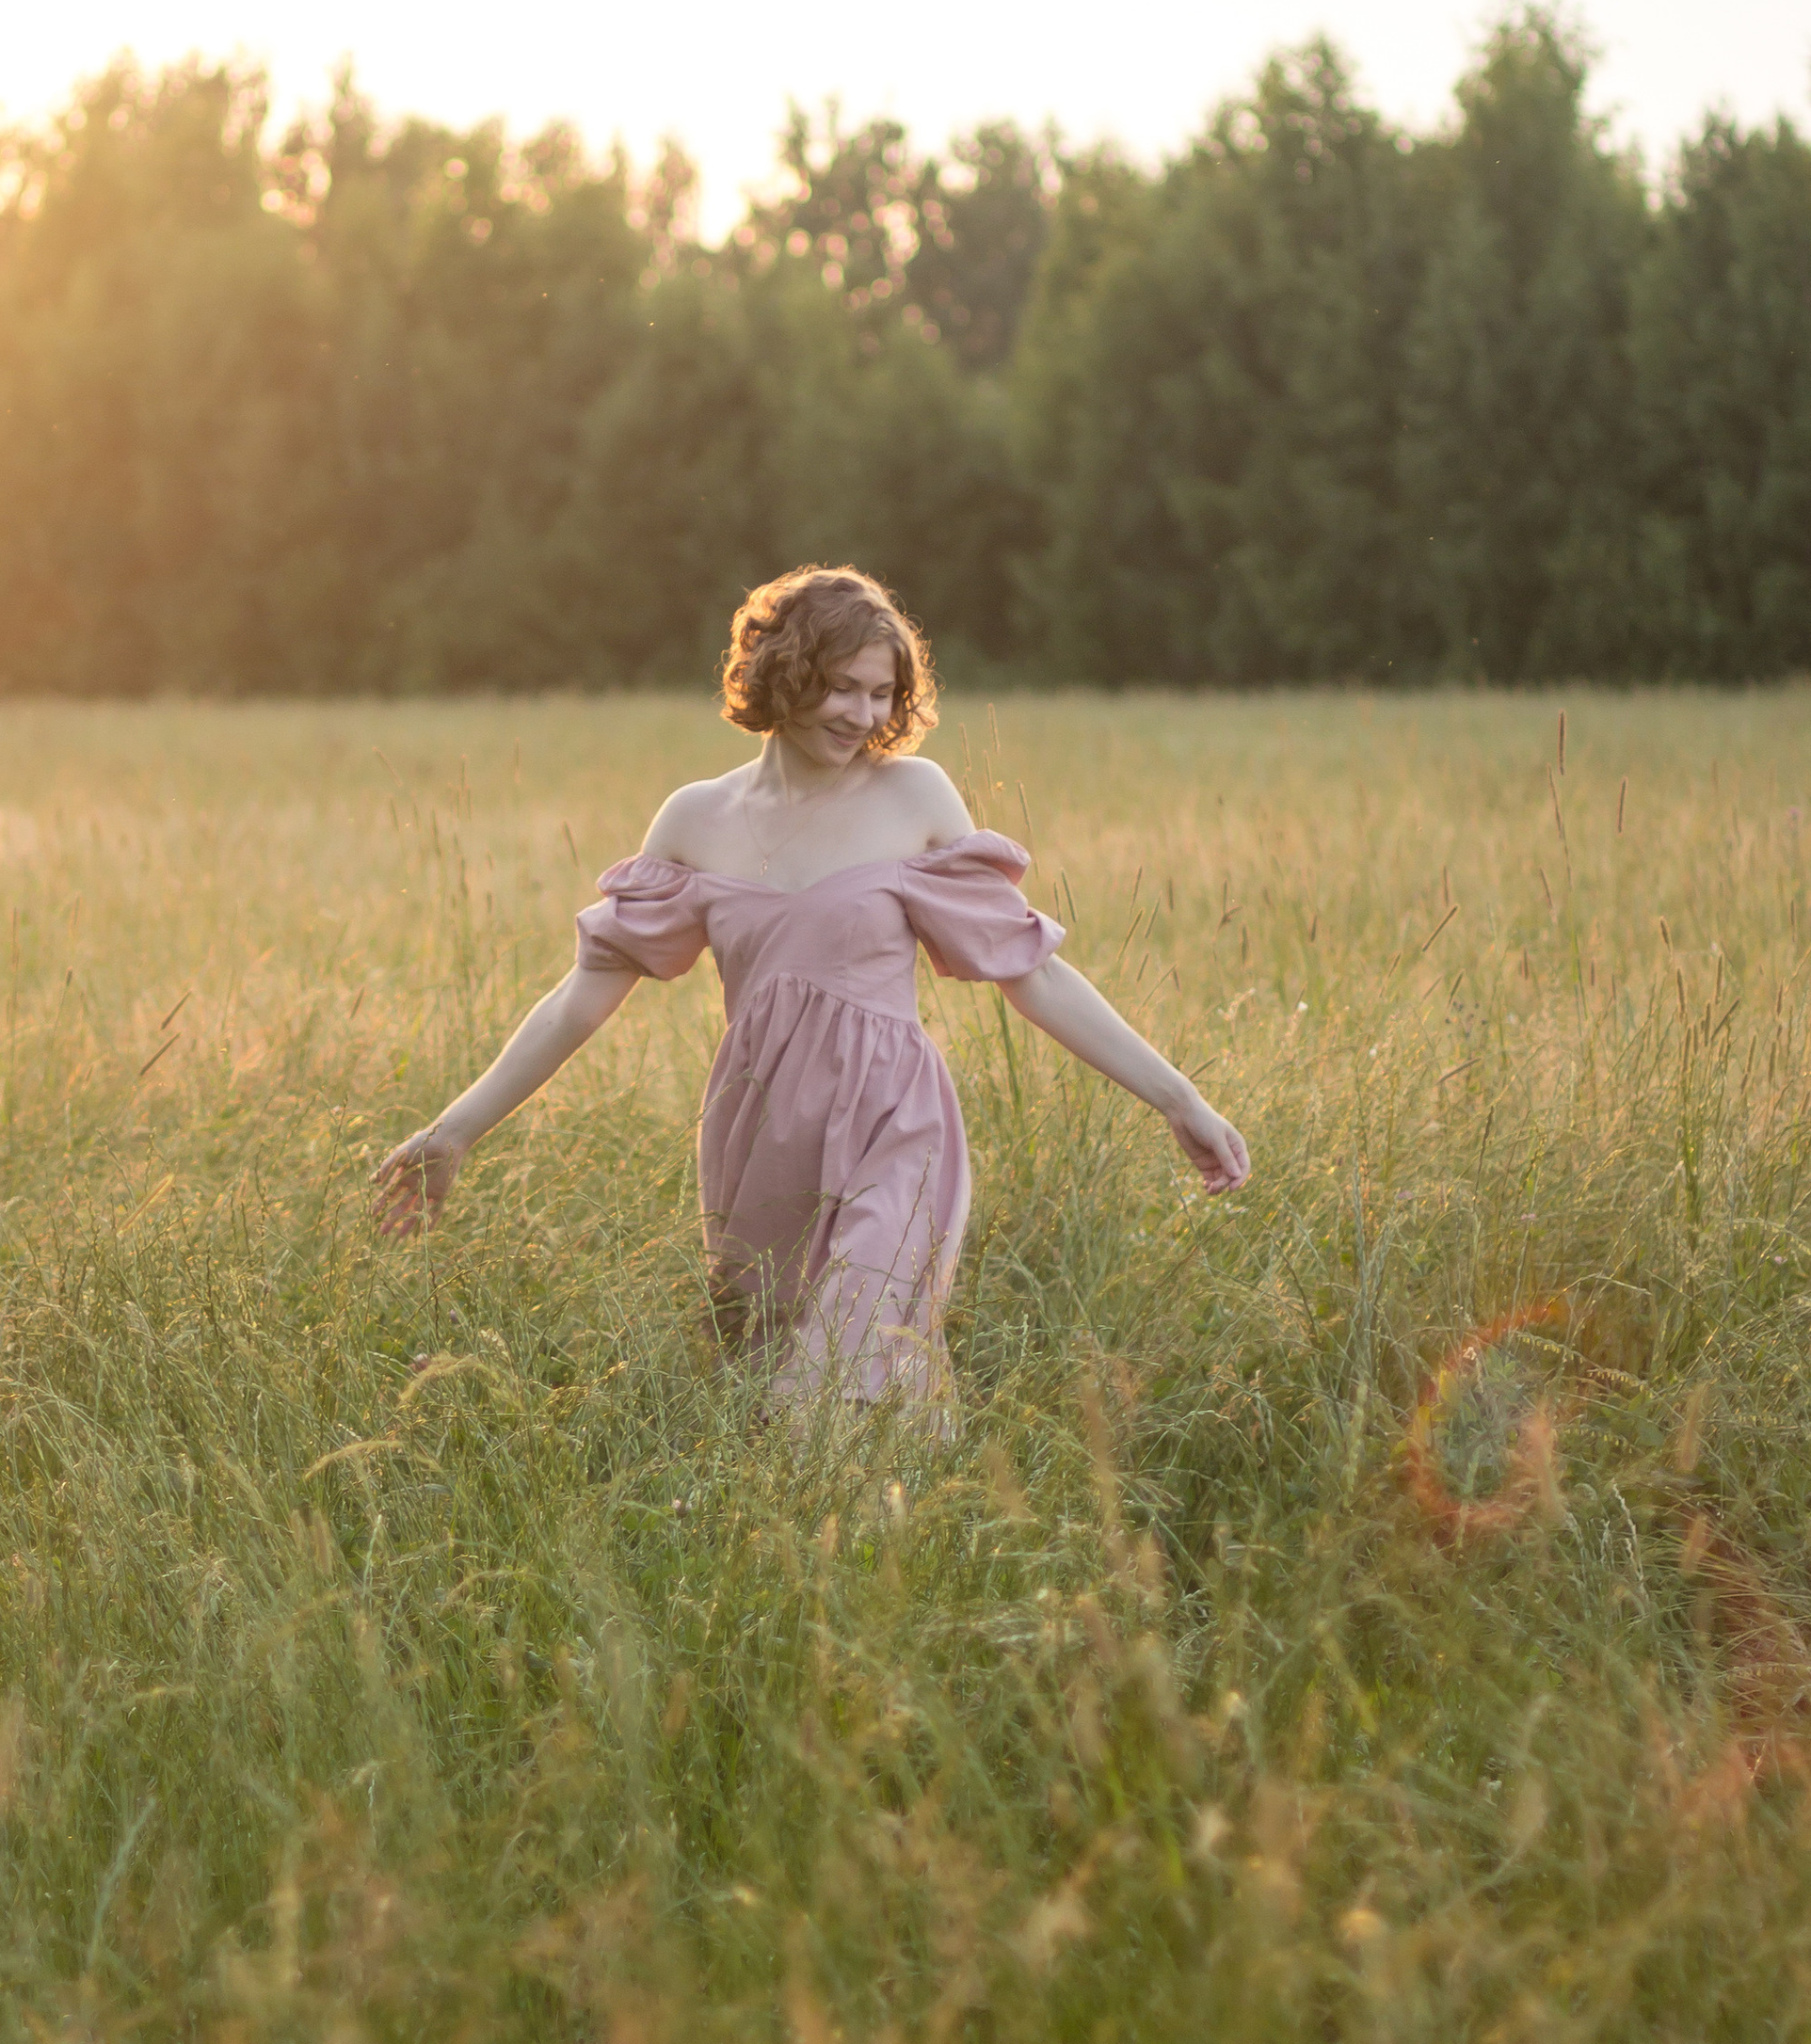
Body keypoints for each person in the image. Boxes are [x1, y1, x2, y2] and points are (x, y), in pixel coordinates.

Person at [374, 566, 1249, 1418]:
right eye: (842, 688)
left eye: (881, 694)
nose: (864, 716)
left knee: (848, 1364)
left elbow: (1035, 973)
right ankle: (893, 1550)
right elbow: (581, 998)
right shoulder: (695, 820)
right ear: (782, 673)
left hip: (895, 1128)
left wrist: (1178, 1099)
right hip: (759, 1138)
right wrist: (453, 1132)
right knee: (779, 1389)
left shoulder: (914, 797)